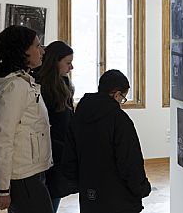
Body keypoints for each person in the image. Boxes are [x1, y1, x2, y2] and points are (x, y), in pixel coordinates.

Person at [62, 69, 151, 213]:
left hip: (89, 196)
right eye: (123, 98)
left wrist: (77, 183)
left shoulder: (79, 115)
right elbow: (129, 161)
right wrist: (141, 188)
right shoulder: (119, 120)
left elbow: (70, 154)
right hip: (119, 199)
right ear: (116, 94)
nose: (121, 102)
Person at [0, 25, 53, 213]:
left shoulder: (24, 82)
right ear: (21, 51)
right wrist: (2, 189)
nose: (41, 51)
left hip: (31, 172)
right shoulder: (15, 87)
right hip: (24, 176)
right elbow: (2, 138)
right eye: (37, 46)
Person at [36, 41, 77, 212]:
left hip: (60, 153)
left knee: (54, 196)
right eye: (68, 63)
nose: (71, 67)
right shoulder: (38, 86)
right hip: (45, 154)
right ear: (55, 61)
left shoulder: (63, 84)